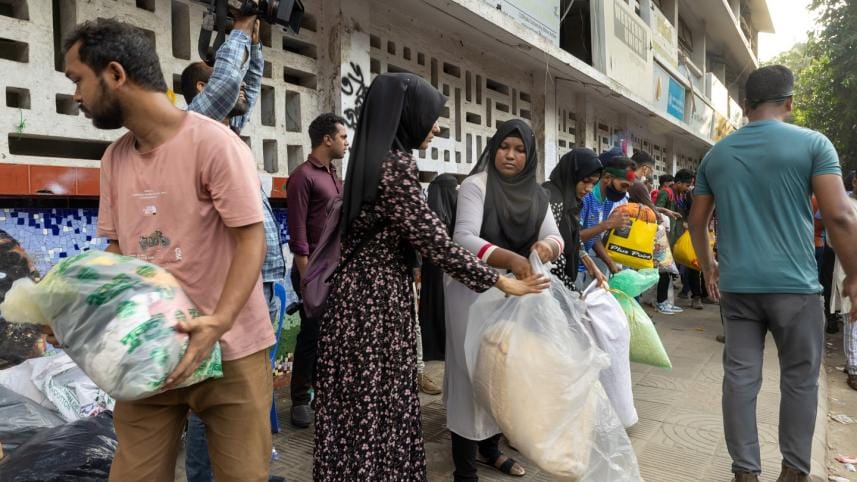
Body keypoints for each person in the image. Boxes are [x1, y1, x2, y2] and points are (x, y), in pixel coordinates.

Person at [62, 19, 275, 481]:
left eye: (77, 79)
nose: (75, 95)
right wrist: (79, 315)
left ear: (115, 74)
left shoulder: (215, 144)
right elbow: (118, 254)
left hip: (232, 350)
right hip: (148, 352)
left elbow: (250, 239)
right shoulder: (114, 159)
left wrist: (218, 322)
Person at [311, 74, 548, 481]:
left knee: (357, 410)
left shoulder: (367, 158)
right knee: (379, 404)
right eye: (431, 117)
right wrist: (500, 281)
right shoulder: (396, 165)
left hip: (353, 303)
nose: (435, 127)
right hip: (376, 306)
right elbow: (436, 242)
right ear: (408, 114)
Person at [689, 65, 857, 482]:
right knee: (800, 380)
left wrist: (709, 266)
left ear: (745, 106)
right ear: (791, 102)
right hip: (795, 287)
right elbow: (839, 215)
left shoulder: (717, 155)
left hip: (738, 287)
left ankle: (745, 472)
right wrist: (854, 276)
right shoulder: (814, 144)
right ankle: (794, 472)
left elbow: (696, 221)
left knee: (740, 378)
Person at [178, 18, 286, 482]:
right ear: (204, 86)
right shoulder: (194, 123)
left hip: (258, 284)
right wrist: (239, 29)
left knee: (249, 390)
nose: (241, 87)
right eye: (229, 81)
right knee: (212, 399)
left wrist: (255, 45)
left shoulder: (226, 131)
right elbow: (228, 83)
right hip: (225, 292)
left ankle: (249, 469)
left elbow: (248, 85)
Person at [445, 119, 563, 481]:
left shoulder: (537, 195)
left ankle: (491, 449)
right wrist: (511, 259)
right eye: (504, 147)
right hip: (472, 290)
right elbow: (463, 237)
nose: (510, 156)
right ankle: (464, 469)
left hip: (515, 295)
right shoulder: (475, 186)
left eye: (520, 150)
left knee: (504, 373)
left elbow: (556, 238)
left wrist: (546, 247)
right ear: (493, 148)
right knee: (469, 375)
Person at [286, 113, 348, 428]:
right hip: (312, 272)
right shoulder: (303, 176)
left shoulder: (335, 177)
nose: (346, 143)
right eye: (342, 137)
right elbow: (298, 236)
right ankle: (299, 399)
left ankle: (323, 394)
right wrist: (309, 280)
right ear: (327, 139)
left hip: (336, 270)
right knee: (310, 336)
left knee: (331, 337)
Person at [543, 148, 607, 290]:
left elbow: (574, 237)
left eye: (593, 183)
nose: (589, 188)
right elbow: (551, 249)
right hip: (547, 285)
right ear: (572, 175)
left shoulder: (573, 201)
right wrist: (569, 291)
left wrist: (590, 264)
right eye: (585, 181)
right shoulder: (552, 198)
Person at [419, 174, 460, 361]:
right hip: (439, 269)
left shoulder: (436, 217)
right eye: (454, 189)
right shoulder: (440, 222)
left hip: (433, 268)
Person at [577, 153, 635, 285]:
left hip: (586, 266)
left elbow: (594, 235)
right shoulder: (586, 196)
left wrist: (612, 266)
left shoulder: (607, 200)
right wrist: (608, 224)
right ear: (607, 177)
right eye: (623, 186)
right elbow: (573, 237)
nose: (625, 192)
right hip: (571, 266)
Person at [654, 168, 693, 314]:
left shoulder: (679, 196)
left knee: (669, 272)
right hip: (663, 238)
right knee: (664, 272)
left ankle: (665, 302)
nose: (687, 188)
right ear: (678, 182)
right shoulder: (666, 193)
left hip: (673, 238)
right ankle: (661, 302)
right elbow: (656, 210)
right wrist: (666, 213)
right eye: (687, 185)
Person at [831, 170, 857, 391]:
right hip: (849, 270)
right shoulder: (845, 205)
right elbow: (833, 238)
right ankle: (854, 367)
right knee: (852, 317)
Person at [629, 150, 681, 222]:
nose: (650, 173)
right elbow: (652, 211)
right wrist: (661, 221)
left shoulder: (626, 180)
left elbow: (648, 206)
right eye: (651, 170)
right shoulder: (638, 185)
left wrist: (664, 210)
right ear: (645, 168)